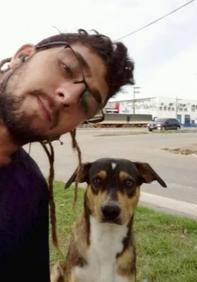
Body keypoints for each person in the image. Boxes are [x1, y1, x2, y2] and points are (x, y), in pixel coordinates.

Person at [0, 29, 134, 280]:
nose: (69, 96)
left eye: (87, 103)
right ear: (23, 56)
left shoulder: (31, 193)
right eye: (67, 68)